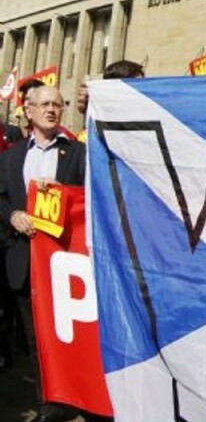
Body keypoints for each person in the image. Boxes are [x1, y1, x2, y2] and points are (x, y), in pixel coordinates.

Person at [0, 85, 86, 422]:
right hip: (23, 259)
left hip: (64, 261)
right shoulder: (12, 156)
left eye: (58, 104)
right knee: (35, 336)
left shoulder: (77, 154)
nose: (52, 109)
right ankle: (47, 397)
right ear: (29, 112)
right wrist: (12, 215)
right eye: (45, 104)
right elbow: (2, 197)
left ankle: (70, 395)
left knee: (65, 332)